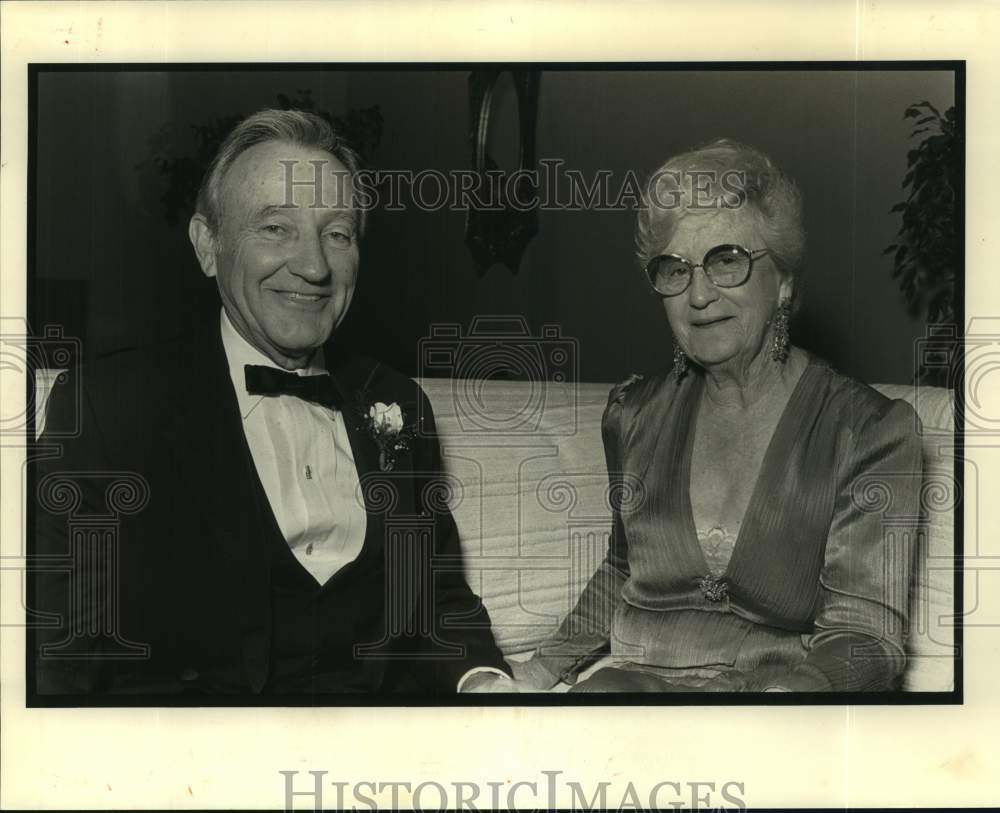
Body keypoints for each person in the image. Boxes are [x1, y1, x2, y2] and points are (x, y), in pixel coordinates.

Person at [32, 109, 509, 696]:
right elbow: (61, 661)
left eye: (337, 234)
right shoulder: (108, 407)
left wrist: (485, 683)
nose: (313, 266)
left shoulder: (396, 400)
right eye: (275, 228)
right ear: (209, 245)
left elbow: (437, 597)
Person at [511, 139, 923, 693]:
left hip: (776, 696)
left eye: (726, 261)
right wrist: (531, 676)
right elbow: (620, 571)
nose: (699, 295)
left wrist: (805, 689)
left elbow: (868, 634)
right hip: (631, 690)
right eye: (675, 270)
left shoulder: (868, 431)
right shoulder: (632, 416)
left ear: (782, 282)